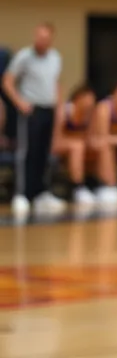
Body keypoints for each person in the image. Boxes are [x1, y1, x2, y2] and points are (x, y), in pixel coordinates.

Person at [3, 23, 66, 219]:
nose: (41, 41)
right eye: (39, 36)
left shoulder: (56, 58)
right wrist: (19, 102)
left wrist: (59, 106)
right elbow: (7, 81)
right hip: (31, 110)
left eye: (46, 38)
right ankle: (22, 194)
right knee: (26, 152)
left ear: (51, 39)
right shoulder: (24, 56)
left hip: (49, 109)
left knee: (43, 152)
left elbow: (56, 83)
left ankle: (40, 193)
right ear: (34, 36)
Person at [53, 85, 112, 209]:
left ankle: (106, 186)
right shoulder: (65, 111)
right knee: (77, 146)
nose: (90, 103)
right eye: (88, 99)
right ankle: (78, 187)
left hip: (80, 149)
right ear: (78, 98)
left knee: (101, 145)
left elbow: (90, 138)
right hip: (60, 148)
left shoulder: (90, 115)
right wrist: (76, 142)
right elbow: (55, 141)